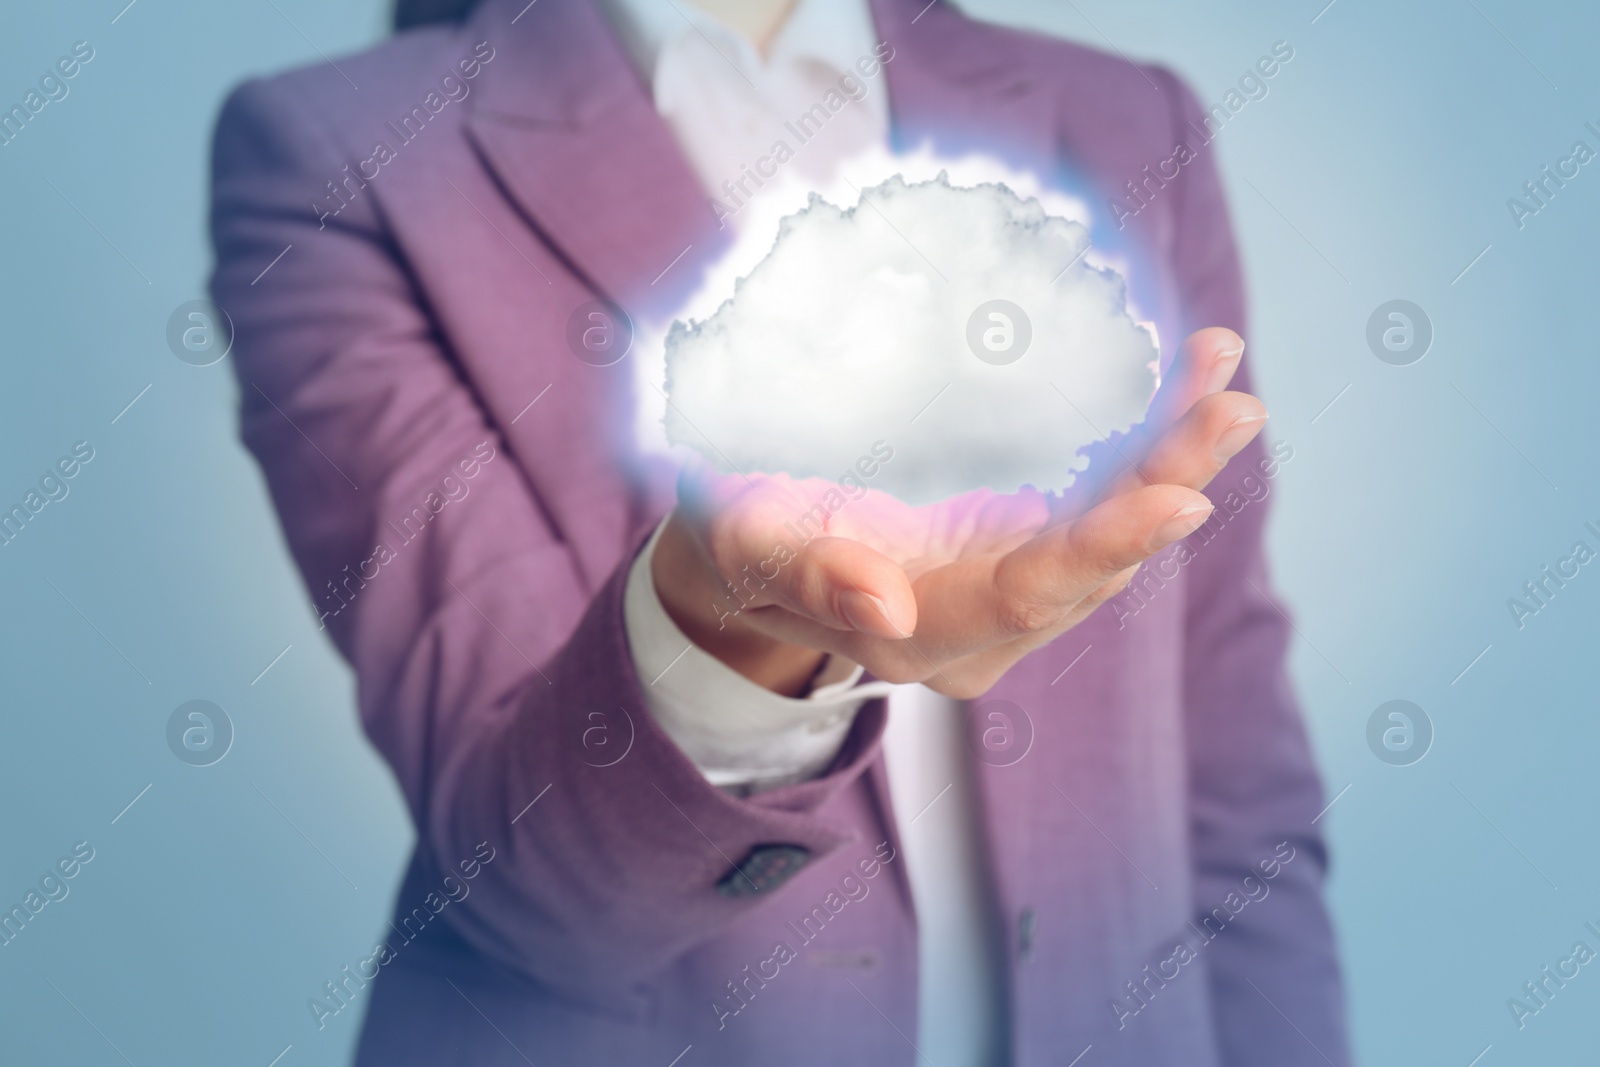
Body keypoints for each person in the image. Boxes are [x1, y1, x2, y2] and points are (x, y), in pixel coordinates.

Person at [208, 0, 1348, 1063]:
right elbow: (528, 886)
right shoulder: (342, 153)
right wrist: (725, 627)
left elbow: (1236, 793)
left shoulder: (1129, 119)